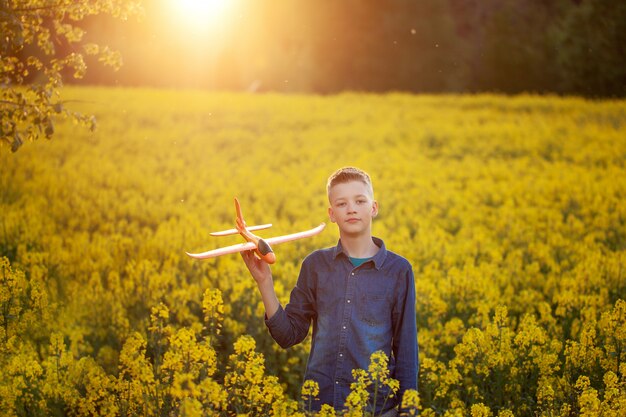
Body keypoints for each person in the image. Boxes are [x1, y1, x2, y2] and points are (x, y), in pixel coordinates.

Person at [241, 166, 418, 416]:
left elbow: (406, 349)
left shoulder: (398, 271)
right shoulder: (315, 266)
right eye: (342, 203)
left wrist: (409, 411)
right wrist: (264, 281)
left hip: (376, 409)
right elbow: (288, 335)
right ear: (331, 213)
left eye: (360, 201)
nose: (352, 209)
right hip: (321, 406)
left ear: (374, 207)